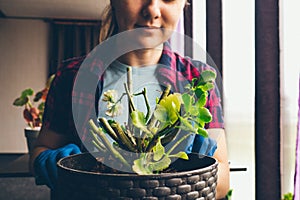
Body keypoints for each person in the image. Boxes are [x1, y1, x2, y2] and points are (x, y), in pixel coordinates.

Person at [30, 0, 230, 199]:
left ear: (184, 4)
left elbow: (222, 183)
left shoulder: (198, 79)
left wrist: (197, 174)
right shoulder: (72, 76)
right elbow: (42, 149)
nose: (152, 10)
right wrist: (51, 162)